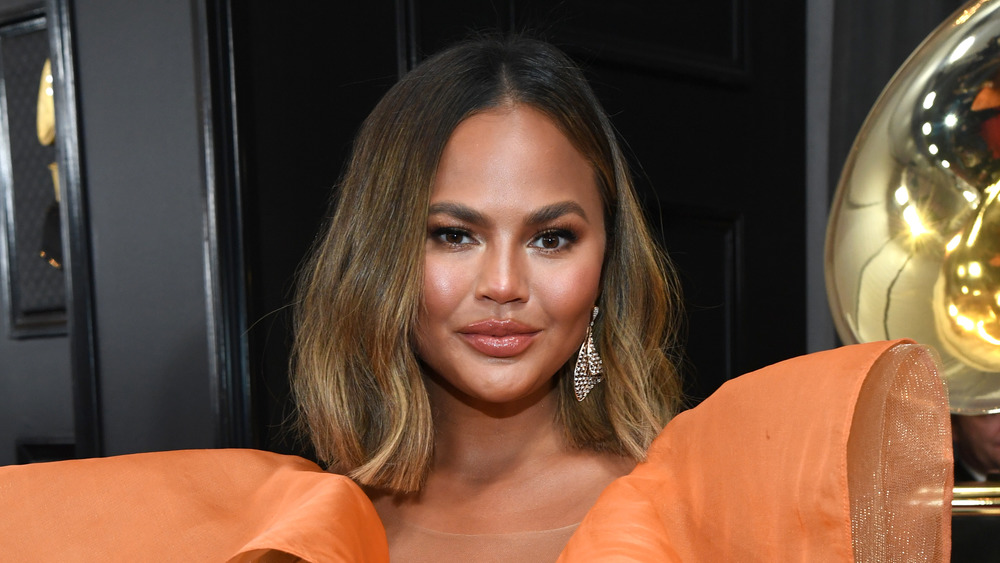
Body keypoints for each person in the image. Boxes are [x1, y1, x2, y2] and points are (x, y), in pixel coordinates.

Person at [0, 36, 954, 562]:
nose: (504, 284)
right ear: (382, 255)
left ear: (604, 264)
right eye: (452, 234)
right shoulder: (287, 533)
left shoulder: (711, 515)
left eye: (552, 236)